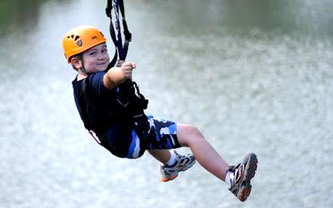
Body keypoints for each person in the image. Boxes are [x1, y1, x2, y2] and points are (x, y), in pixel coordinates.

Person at [62, 25, 258, 202]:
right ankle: (231, 178)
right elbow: (109, 80)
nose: (103, 56)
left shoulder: (79, 83)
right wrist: (121, 73)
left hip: (121, 139)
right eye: (93, 54)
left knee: (150, 128)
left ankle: (171, 163)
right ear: (76, 63)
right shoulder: (92, 85)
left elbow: (107, 77)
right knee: (191, 134)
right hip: (130, 136)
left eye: (104, 50)